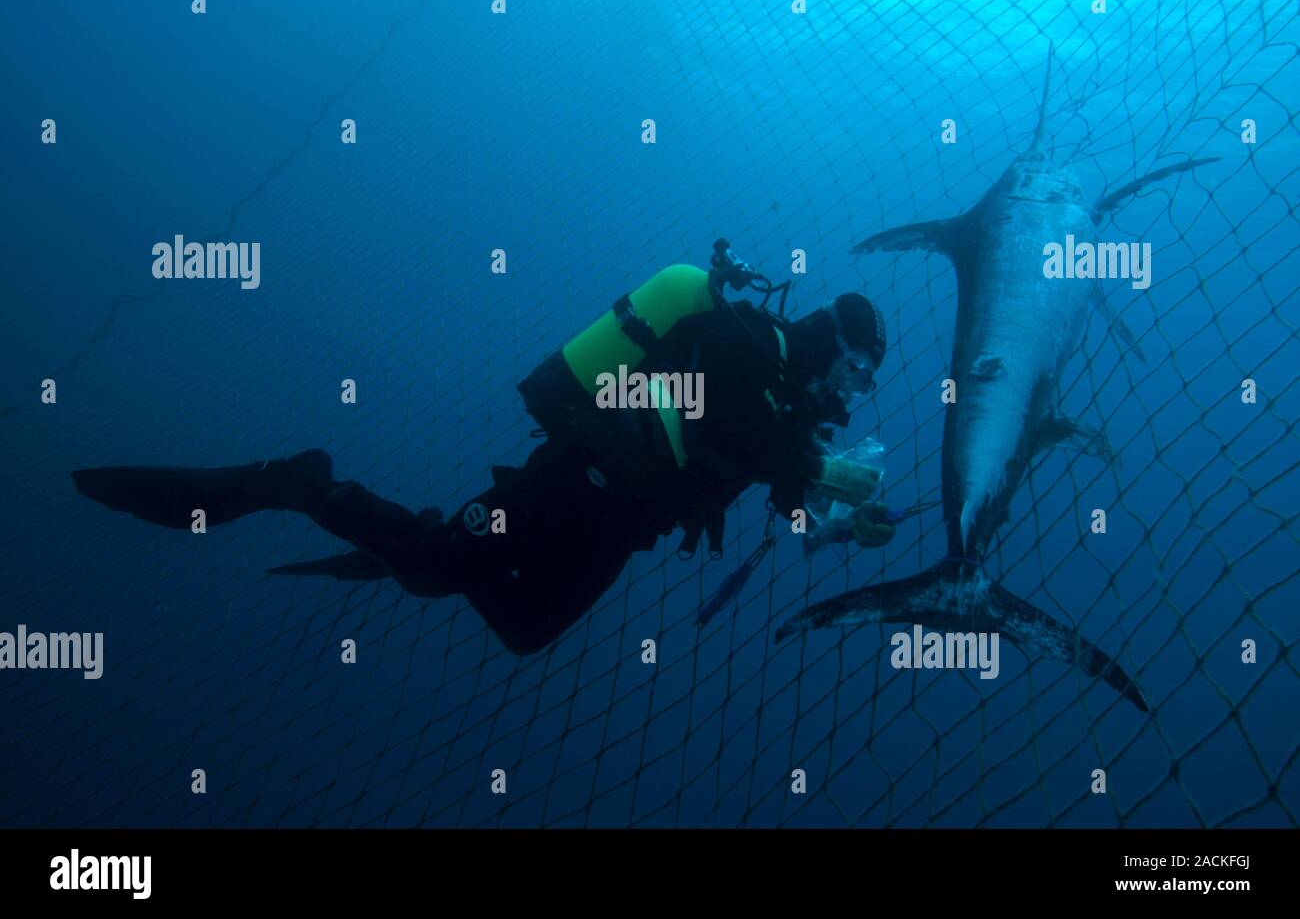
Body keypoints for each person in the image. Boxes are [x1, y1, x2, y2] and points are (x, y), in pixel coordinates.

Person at [73, 241, 895, 654]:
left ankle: (424, 545)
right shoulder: (745, 340)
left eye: (864, 386)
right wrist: (816, 469)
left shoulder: (790, 414)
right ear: (835, 345)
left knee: (523, 630)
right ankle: (301, 484)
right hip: (571, 483)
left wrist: (821, 522)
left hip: (616, 526)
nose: (853, 393)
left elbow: (772, 481)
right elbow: (722, 423)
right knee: (435, 565)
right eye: (857, 373)